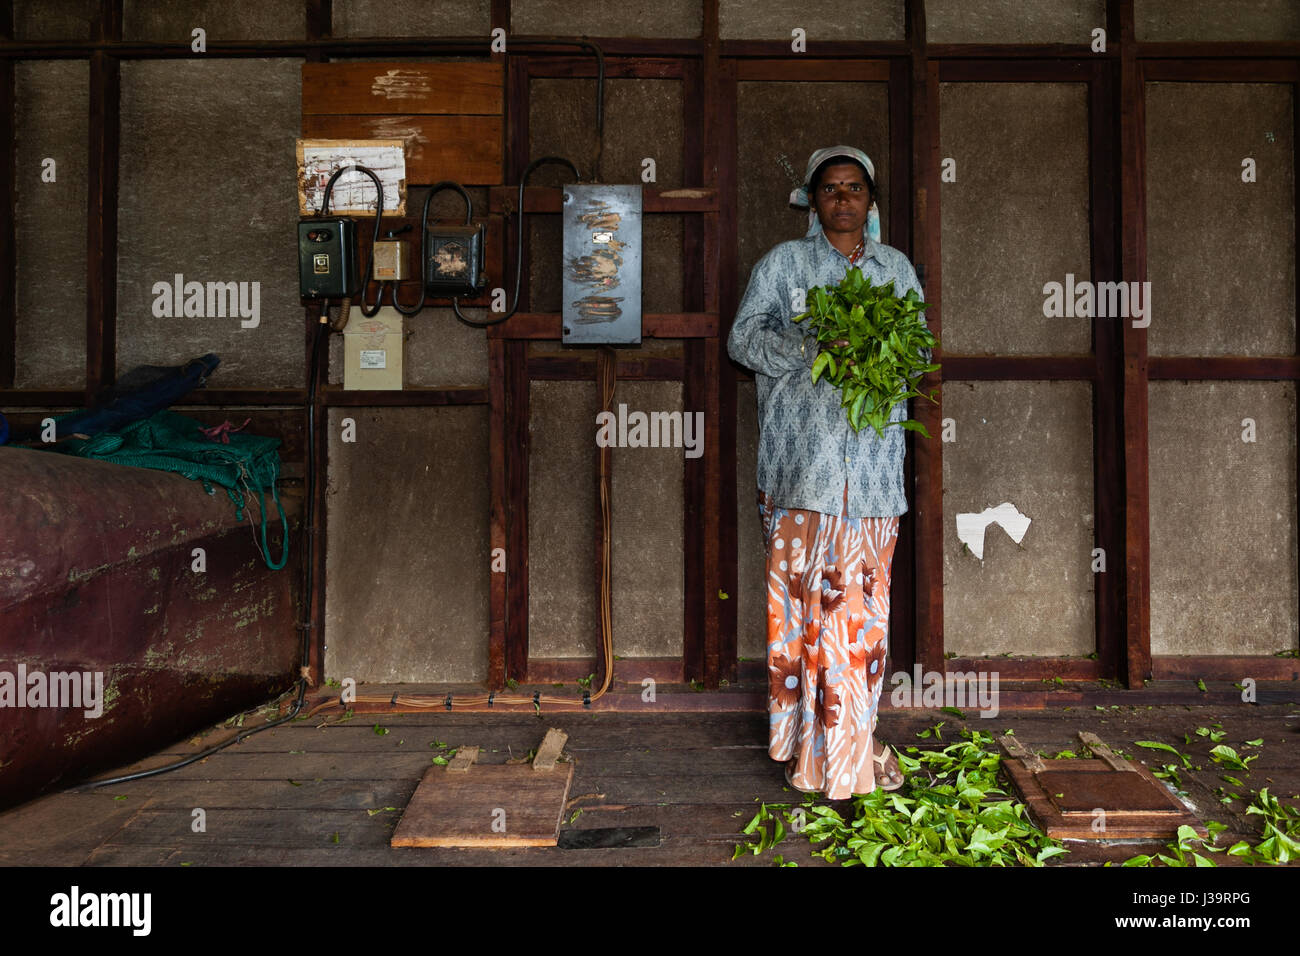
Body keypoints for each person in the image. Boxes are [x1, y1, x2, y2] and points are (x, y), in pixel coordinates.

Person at [727, 145, 928, 799]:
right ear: (814, 202)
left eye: (855, 189)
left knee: (860, 622)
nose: (843, 199)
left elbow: (917, 351)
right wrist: (810, 347)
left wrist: (875, 354)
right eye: (831, 189)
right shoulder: (782, 266)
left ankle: (843, 751)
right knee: (805, 618)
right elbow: (742, 340)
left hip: (871, 481)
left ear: (870, 202)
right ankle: (821, 748)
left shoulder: (895, 271)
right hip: (800, 475)